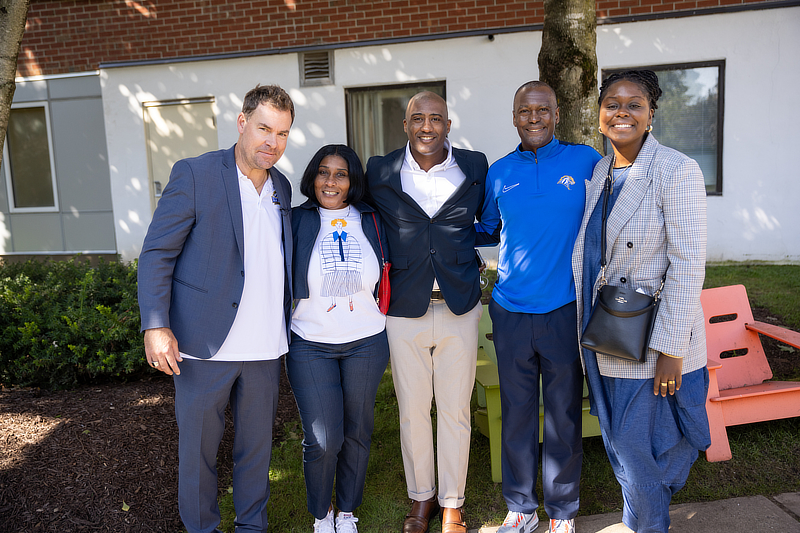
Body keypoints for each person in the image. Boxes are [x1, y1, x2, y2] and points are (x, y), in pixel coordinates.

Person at [138, 84, 295, 533]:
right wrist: (156, 325)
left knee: (256, 452)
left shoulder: (281, 186)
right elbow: (157, 254)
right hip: (203, 347)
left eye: (282, 133)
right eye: (264, 128)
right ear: (242, 123)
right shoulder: (195, 174)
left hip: (266, 347)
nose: (272, 142)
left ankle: (251, 527)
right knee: (199, 455)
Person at [572, 70, 710, 533]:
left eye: (634, 104)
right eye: (612, 103)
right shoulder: (597, 172)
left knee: (639, 446)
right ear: (599, 115)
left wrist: (671, 348)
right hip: (605, 329)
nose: (622, 112)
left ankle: (649, 524)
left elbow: (688, 265)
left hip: (650, 335)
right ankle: (639, 518)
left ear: (651, 115)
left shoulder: (676, 169)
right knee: (618, 438)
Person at [475, 81, 602, 533]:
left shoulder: (586, 160)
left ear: (557, 113)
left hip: (564, 308)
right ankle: (521, 508)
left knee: (564, 413)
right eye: (525, 111)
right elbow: (488, 228)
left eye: (542, 110)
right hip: (509, 309)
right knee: (518, 412)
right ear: (514, 117)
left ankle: (562, 513)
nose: (533, 118)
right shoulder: (499, 171)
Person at [366, 91, 489, 533]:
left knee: (456, 409)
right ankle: (422, 498)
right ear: (405, 124)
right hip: (404, 307)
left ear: (448, 124)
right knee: (413, 408)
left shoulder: (474, 166)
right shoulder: (379, 170)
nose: (426, 127)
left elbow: (488, 219)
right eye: (418, 118)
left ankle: (453, 502)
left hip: (459, 304)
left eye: (435, 118)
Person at [287, 144, 391, 533]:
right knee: (323, 440)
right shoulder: (294, 219)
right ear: (312, 177)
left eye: (341, 174)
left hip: (366, 340)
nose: (331, 181)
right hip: (309, 343)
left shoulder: (371, 219)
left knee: (357, 430)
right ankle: (321, 514)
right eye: (323, 172)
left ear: (353, 182)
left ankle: (347, 511)